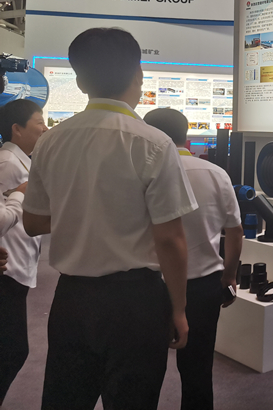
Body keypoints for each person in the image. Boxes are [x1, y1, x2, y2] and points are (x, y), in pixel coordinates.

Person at [22, 27, 198, 410]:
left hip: (72, 300)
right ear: (138, 75)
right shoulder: (154, 143)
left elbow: (33, 223)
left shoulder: (50, 141)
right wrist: (179, 308)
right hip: (136, 303)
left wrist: (81, 211)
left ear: (80, 81)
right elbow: (170, 239)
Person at [143, 108, 244, 410]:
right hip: (203, 286)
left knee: (144, 372)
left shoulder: (141, 172)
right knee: (198, 371)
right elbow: (235, 231)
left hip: (149, 285)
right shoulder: (216, 173)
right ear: (185, 135)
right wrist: (229, 275)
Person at [0, 100, 48, 404]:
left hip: (17, 266)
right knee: (13, 350)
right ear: (17, 129)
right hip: (8, 268)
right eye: (39, 122)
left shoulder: (21, 161)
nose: (45, 129)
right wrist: (19, 196)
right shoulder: (8, 163)